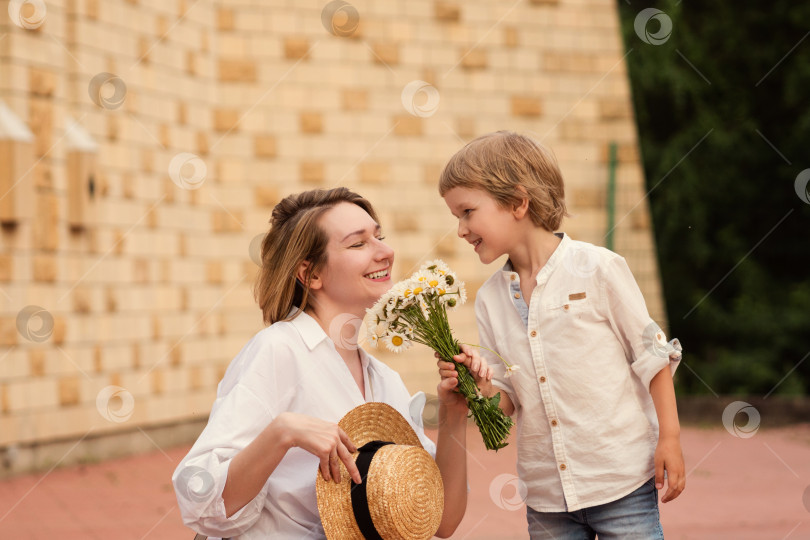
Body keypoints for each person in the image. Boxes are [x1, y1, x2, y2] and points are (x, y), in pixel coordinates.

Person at [173, 187, 469, 539]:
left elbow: (441, 519)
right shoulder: (278, 350)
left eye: (380, 237)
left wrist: (454, 412)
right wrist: (282, 433)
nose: (386, 252)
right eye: (359, 244)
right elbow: (199, 500)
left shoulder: (385, 381)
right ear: (311, 274)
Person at [436, 131, 685, 539]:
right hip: (547, 498)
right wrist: (476, 386)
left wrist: (670, 438)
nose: (461, 229)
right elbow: (506, 401)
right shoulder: (489, 300)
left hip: (620, 480)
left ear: (518, 201)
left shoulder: (599, 268)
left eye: (466, 211)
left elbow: (653, 358)